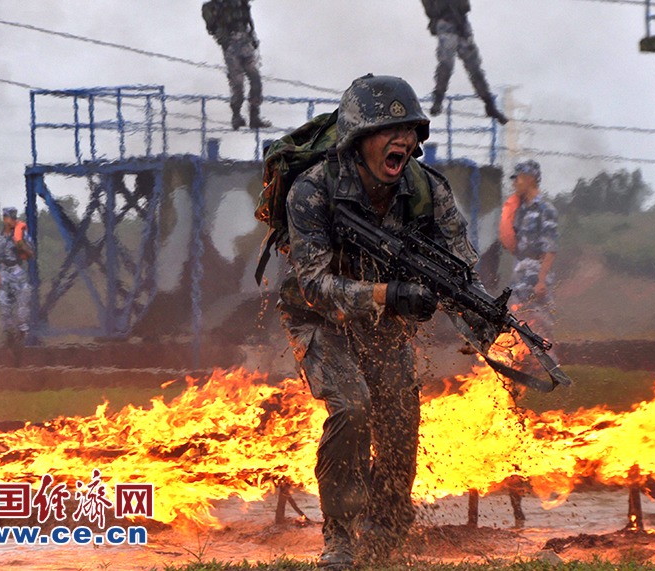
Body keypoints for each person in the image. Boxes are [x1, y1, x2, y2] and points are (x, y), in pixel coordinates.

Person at [279, 74, 497, 567]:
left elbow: (460, 269)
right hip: (319, 320)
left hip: (384, 326)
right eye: (388, 129)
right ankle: (340, 537)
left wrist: (482, 318)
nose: (402, 139)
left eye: (409, 130)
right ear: (359, 140)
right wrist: (390, 294)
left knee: (400, 423)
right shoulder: (313, 191)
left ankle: (386, 537)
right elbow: (315, 286)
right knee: (353, 407)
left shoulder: (427, 191)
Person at [421, 0, 508, 124]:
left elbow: (465, 7)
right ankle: (438, 99)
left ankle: (489, 104)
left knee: (474, 67)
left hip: (460, 24)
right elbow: (431, 10)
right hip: (446, 22)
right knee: (447, 64)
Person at [499, 160, 558, 339]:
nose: (515, 184)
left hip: (536, 272)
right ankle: (519, 361)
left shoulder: (545, 210)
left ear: (530, 179)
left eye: (518, 179)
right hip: (519, 271)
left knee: (541, 320)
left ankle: (547, 361)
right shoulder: (519, 209)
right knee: (515, 317)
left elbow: (551, 248)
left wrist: (541, 280)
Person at [202, 0, 270, 130]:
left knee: (255, 79)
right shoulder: (212, 6)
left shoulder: (240, 3)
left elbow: (247, 20)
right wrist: (225, 41)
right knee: (237, 82)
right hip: (231, 45)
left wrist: (252, 37)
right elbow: (211, 27)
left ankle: (254, 116)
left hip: (245, 41)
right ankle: (236, 116)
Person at [0, 207, 34, 346]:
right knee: (4, 304)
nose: (13, 221)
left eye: (14, 218)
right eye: (10, 218)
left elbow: (32, 253)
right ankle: (8, 336)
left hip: (16, 269)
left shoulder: (21, 234)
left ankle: (22, 333)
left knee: (22, 302)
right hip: (3, 270)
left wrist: (21, 246)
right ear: (4, 219)